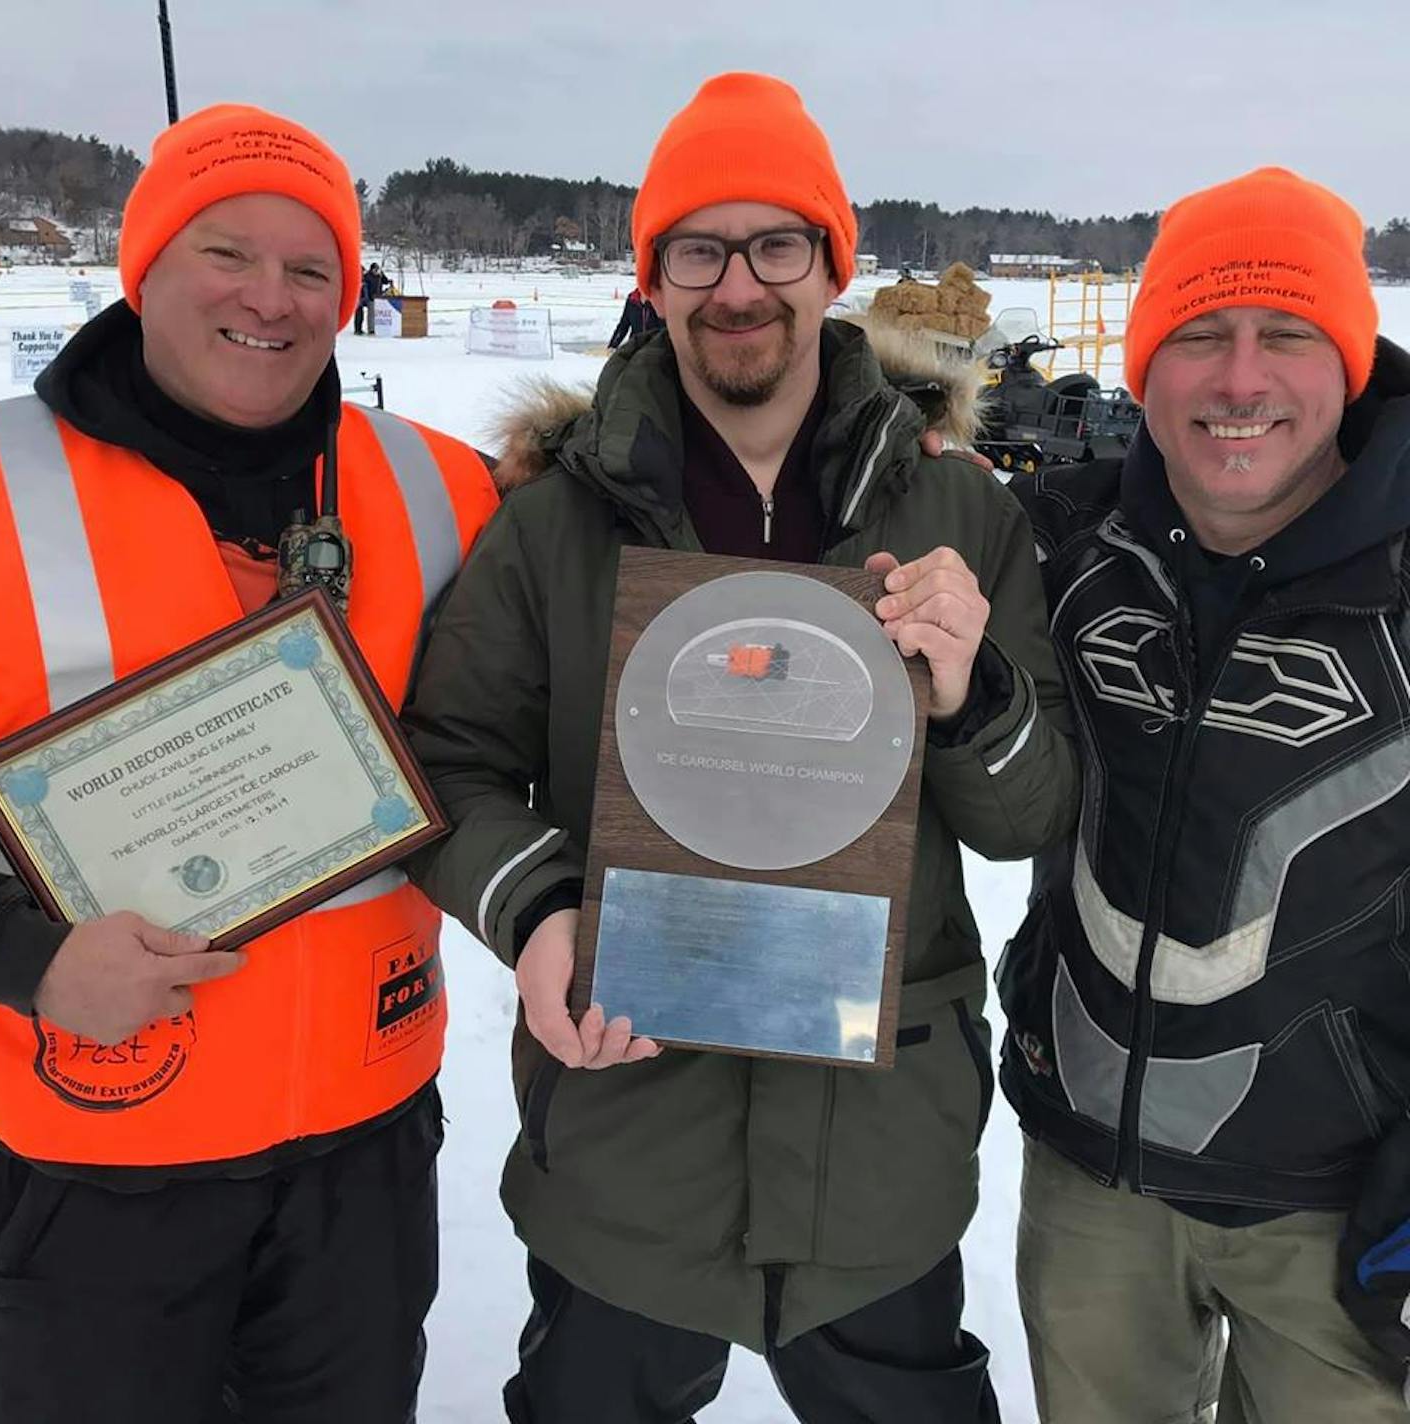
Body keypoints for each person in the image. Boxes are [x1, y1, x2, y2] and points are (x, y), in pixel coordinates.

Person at [405, 71, 1078, 1424]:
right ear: (652, 279)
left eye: (778, 244)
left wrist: (973, 696)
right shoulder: (555, 528)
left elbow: (1031, 813)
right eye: (696, 250)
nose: (738, 285)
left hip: (877, 1147)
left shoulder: (957, 510)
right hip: (628, 1132)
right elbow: (447, 766)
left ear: (834, 264)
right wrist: (536, 912)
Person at [0, 103, 498, 1423]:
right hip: (91, 1161)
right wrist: (24, 959)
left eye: (311, 266)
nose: (269, 297)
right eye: (227, 252)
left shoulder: (447, 487)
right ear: (141, 263)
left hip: (364, 1152)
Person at [999, 166, 1410, 1422]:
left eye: (1285, 334)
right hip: (1092, 1188)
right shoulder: (1062, 543)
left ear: (1345, 360)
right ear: (1139, 368)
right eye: (1197, 335)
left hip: (1335, 1210)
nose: (1238, 379)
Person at [608, 283, 664, 348]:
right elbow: (623, 325)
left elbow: (665, 330)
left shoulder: (659, 302)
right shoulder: (632, 300)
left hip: (654, 349)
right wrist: (613, 345)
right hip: (635, 348)